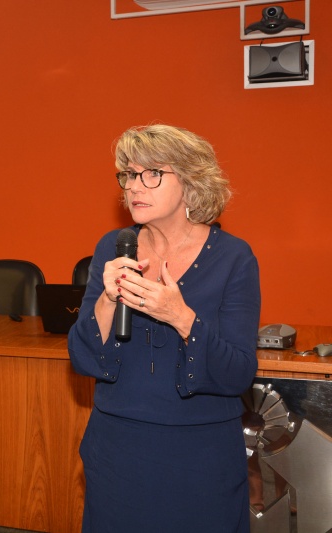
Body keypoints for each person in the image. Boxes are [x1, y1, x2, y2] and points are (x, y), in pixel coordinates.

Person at [67, 124, 260, 532]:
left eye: (151, 173)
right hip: (117, 452)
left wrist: (180, 316)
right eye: (127, 175)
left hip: (200, 460)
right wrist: (106, 298)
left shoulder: (234, 258)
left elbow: (239, 372)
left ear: (190, 182)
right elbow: (82, 357)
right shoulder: (113, 246)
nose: (134, 187)